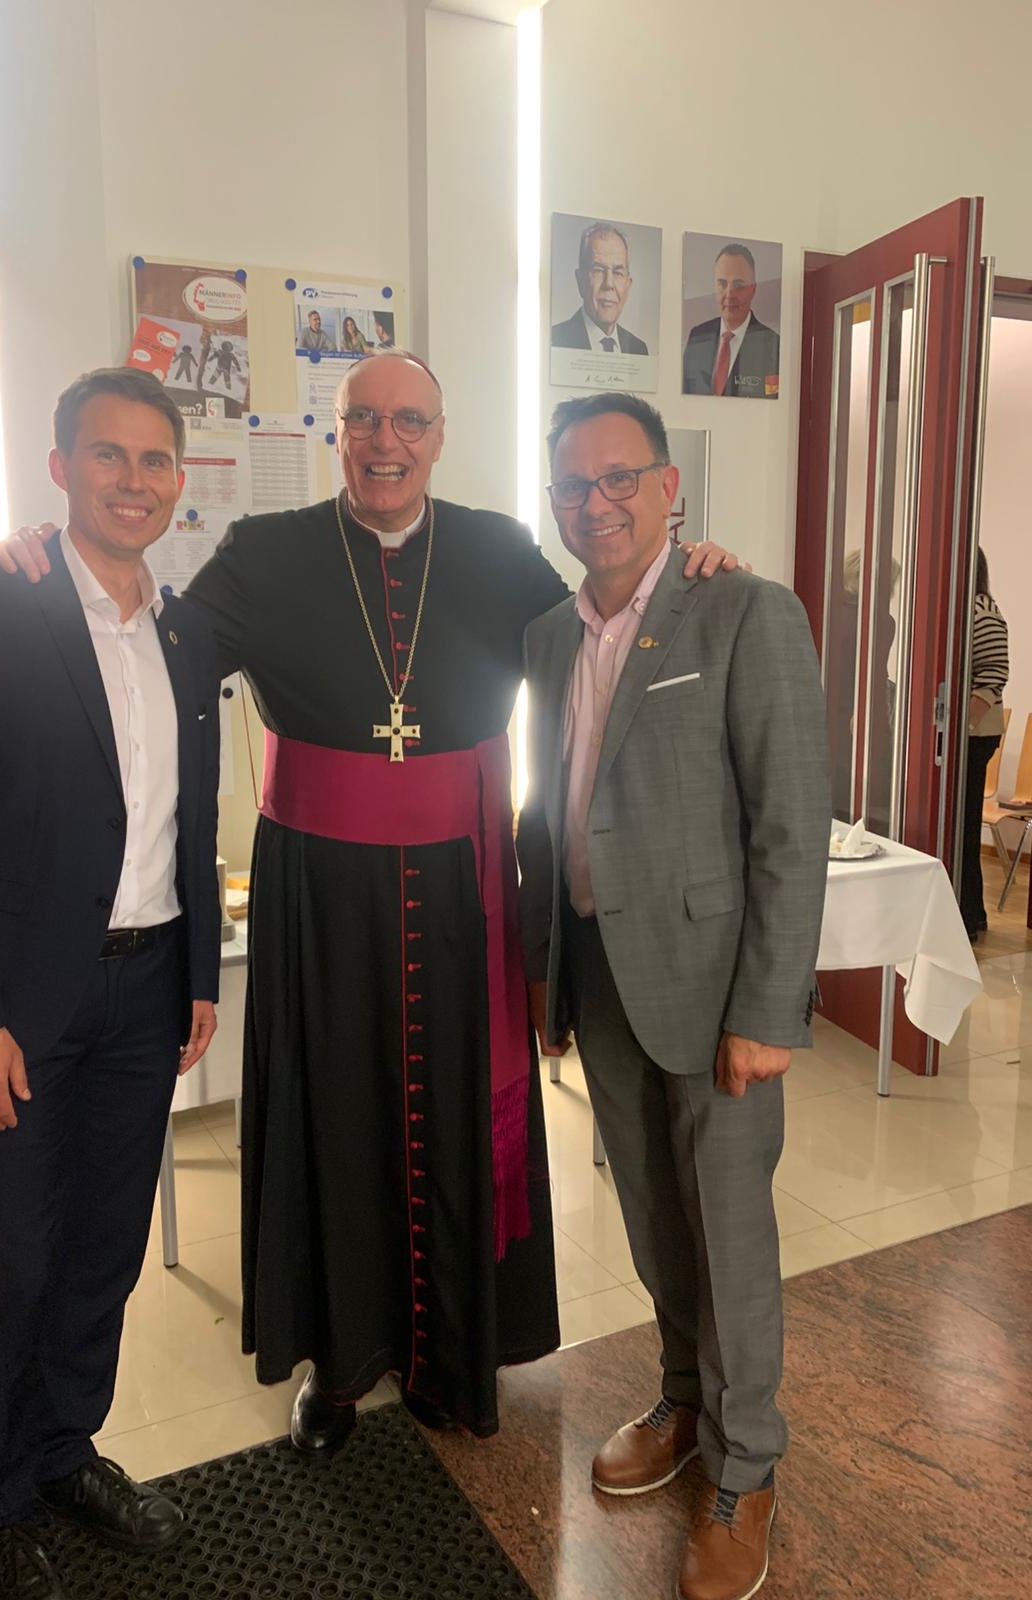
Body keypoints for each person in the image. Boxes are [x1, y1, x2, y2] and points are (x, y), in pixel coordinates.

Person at [0, 351, 742, 1459]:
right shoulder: (267, 551)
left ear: (439, 436)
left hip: (461, 887)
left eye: (409, 421)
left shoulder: (495, 548)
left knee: (451, 1114)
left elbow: (605, 621)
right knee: (331, 1116)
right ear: (336, 433)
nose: (387, 442)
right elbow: (148, 646)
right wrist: (42, 569)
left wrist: (694, 568)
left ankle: (448, 1355)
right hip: (320, 898)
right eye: (364, 422)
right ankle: (336, 1365)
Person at [0, 368, 222, 1600]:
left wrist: (199, 973)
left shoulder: (186, 631)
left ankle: (65, 1448)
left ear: (179, 478)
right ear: (60, 469)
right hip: (19, 1006)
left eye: (155, 459)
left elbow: (192, 818)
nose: (133, 480)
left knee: (103, 1250)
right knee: (15, 1262)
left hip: (148, 991)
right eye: (107, 455)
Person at [518, 392, 828, 1600]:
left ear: (668, 487)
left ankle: (747, 1466)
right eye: (573, 484)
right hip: (602, 974)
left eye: (619, 478)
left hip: (713, 994)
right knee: (653, 1215)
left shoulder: (744, 608)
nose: (595, 503)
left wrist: (768, 1009)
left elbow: (790, 826)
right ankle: (686, 1401)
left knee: (729, 1229)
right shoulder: (550, 636)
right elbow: (557, 807)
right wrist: (550, 971)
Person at [959, 547, 1009, 941]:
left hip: (973, 737)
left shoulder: (983, 611)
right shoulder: (965, 609)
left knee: (963, 826)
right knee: (960, 826)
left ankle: (968, 915)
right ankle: (969, 912)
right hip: (967, 734)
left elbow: (993, 675)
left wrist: (961, 726)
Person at [683, 243, 780, 398]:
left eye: (738, 285)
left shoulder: (772, 346)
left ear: (753, 290)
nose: (729, 294)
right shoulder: (697, 337)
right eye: (722, 283)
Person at [551, 222, 649, 355]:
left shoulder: (639, 349)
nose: (608, 284)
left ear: (628, 286)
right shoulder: (556, 339)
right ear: (580, 281)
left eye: (618, 272)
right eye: (598, 270)